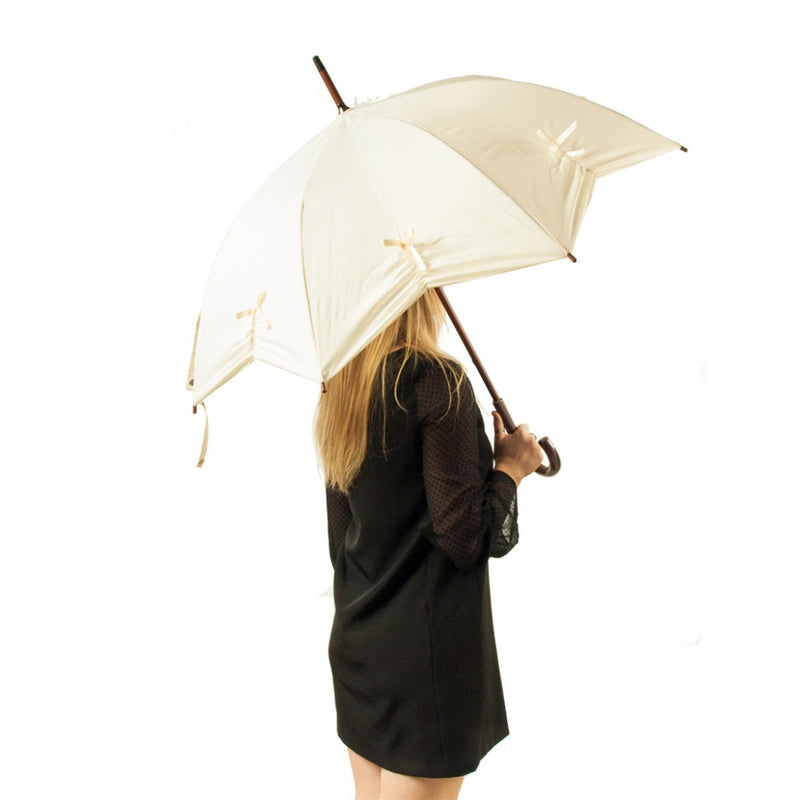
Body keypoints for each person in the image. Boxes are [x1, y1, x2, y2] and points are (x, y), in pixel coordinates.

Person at [315, 289, 544, 800]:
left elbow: (340, 541)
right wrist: (510, 468)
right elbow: (466, 536)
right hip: (425, 664)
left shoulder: (339, 386)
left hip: (361, 647)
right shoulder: (438, 382)